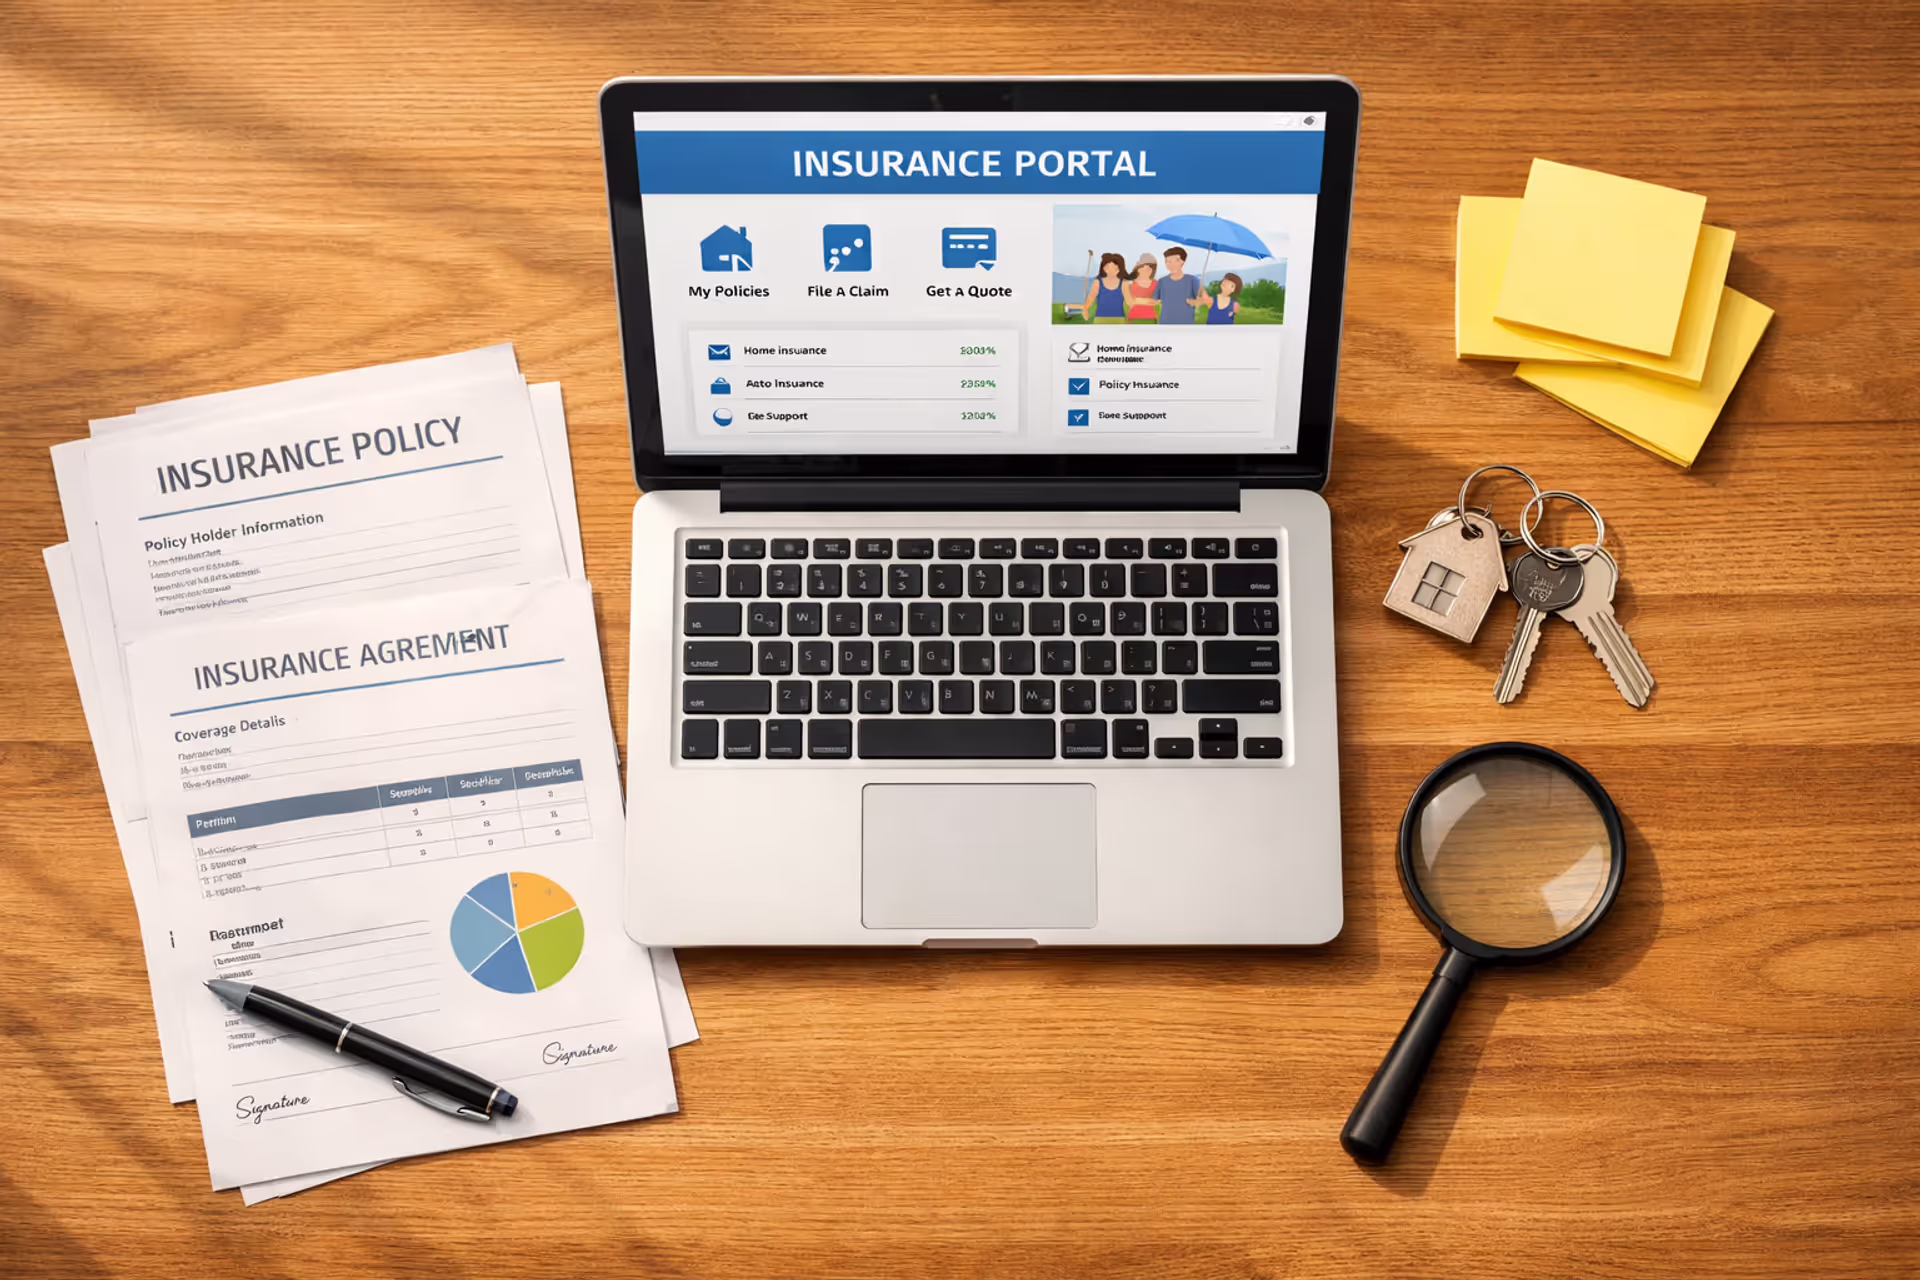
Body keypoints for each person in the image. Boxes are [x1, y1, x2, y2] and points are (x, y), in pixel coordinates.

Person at [1152, 246, 1204, 324]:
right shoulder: (1162, 281)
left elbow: (1203, 300)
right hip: (1165, 324)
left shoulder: (1192, 280)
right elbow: (1154, 300)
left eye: (1176, 261)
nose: (1171, 264)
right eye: (1168, 261)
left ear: (1182, 262)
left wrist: (1196, 302)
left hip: (1186, 325)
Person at [1081, 252, 1129, 323]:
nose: (1110, 271)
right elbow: (1091, 298)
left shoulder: (1124, 283)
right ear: (1103, 268)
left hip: (1119, 319)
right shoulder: (1097, 282)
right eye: (1107, 267)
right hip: (1100, 319)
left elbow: (1129, 301)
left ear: (1119, 269)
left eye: (1115, 268)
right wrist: (1085, 309)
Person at [1125, 253, 1159, 321]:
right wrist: (1148, 301)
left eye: (1151, 267)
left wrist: (1137, 300)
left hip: (1151, 318)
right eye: (1145, 266)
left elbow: (1157, 301)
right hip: (1133, 318)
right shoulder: (1129, 283)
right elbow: (1128, 302)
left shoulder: (1156, 284)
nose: (1148, 268)